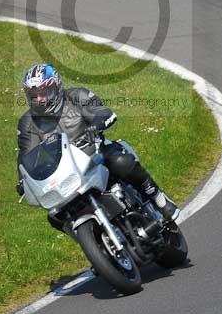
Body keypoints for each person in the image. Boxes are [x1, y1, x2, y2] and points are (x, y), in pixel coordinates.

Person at [16, 64, 179, 226]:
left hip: (96, 153)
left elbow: (102, 112)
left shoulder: (76, 96)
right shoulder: (27, 123)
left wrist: (96, 124)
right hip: (65, 172)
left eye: (45, 93)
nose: (40, 99)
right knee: (55, 216)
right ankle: (94, 240)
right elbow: (26, 155)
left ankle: (160, 200)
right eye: (34, 96)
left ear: (57, 87)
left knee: (120, 162)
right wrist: (24, 181)